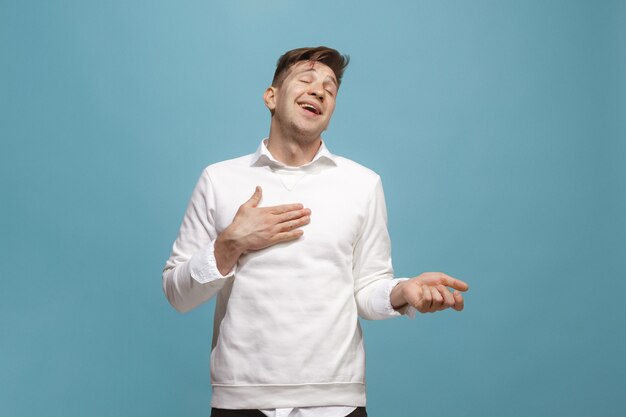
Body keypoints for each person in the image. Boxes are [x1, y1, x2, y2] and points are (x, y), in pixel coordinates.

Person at [163, 46, 469, 417]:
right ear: (271, 97)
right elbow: (177, 295)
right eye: (305, 80)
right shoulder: (219, 179)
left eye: (330, 88)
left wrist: (401, 292)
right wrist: (229, 244)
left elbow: (367, 287)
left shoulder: (363, 184)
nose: (319, 90)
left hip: (337, 402)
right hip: (241, 400)